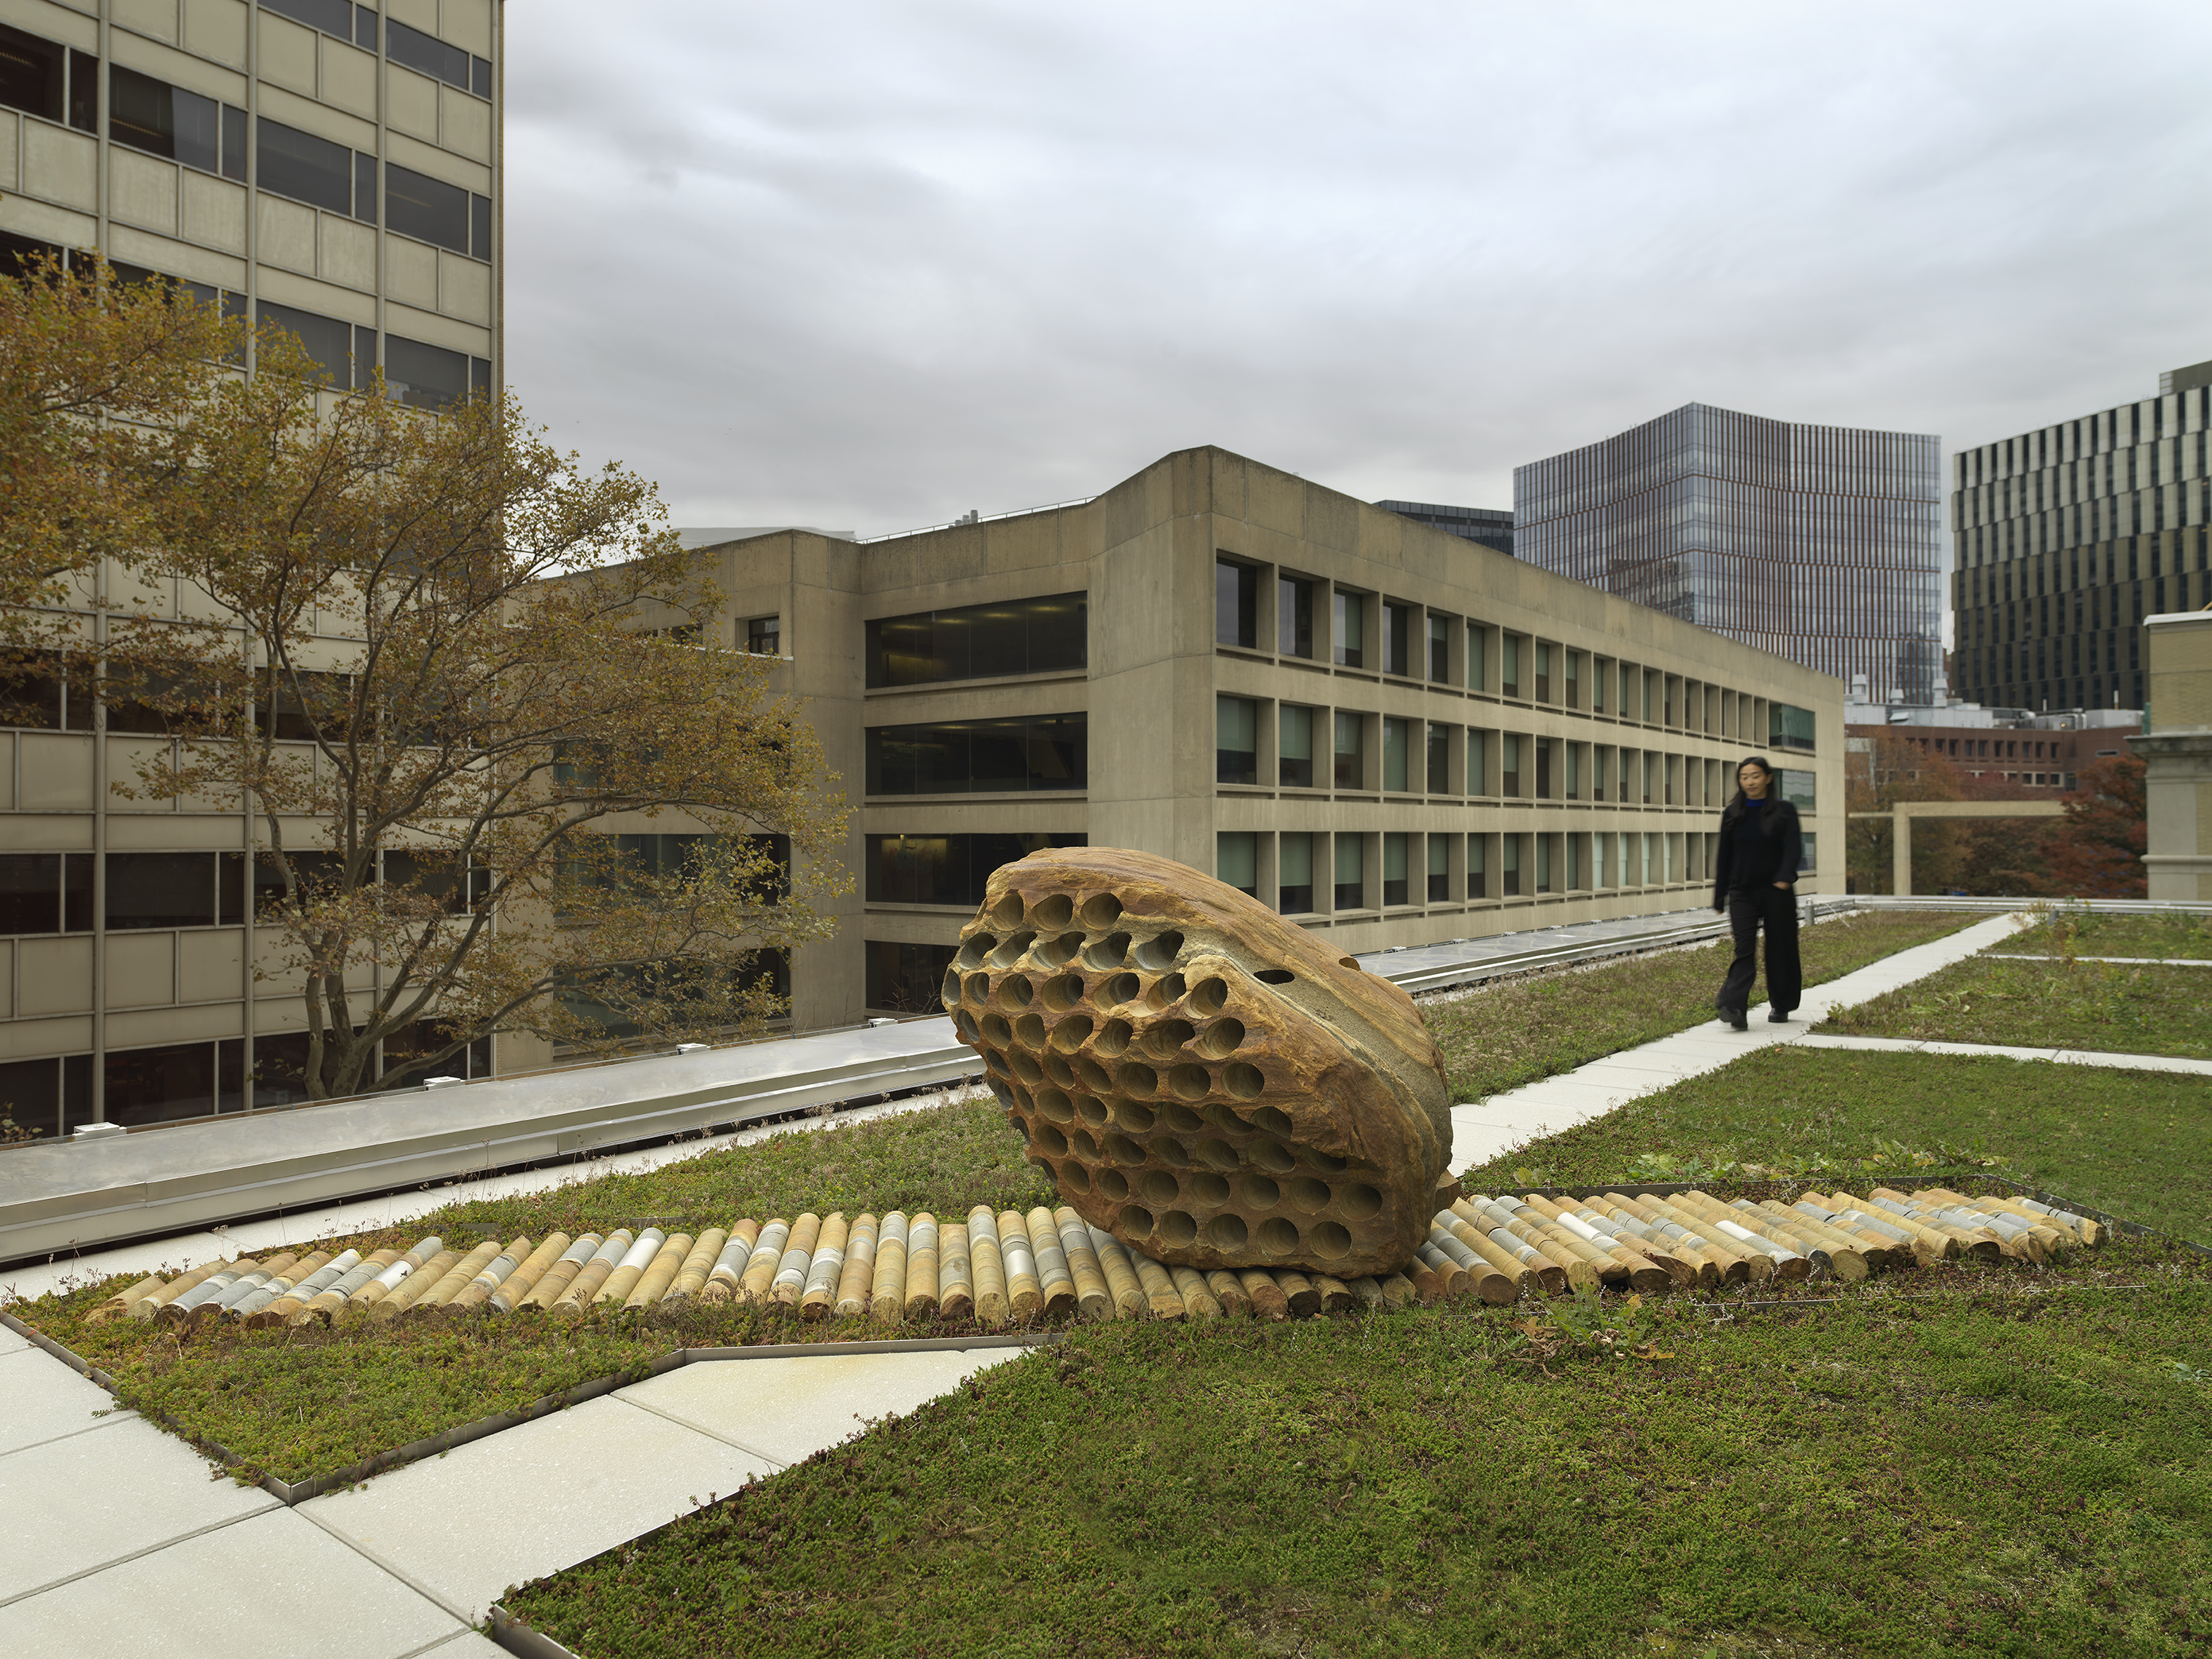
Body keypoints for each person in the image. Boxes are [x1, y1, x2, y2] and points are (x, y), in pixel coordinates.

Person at [1711, 755, 1803, 1031]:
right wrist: (1719, 895)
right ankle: (1734, 1007)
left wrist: (1785, 878)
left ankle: (1781, 1004)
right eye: (1744, 777)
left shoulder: (1785, 811)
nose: (1750, 782)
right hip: (1742, 892)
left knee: (1780, 947)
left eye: (1755, 776)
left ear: (1768, 778)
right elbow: (1724, 856)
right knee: (1744, 948)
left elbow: (1793, 848)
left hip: (1776, 890)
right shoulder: (1732, 814)